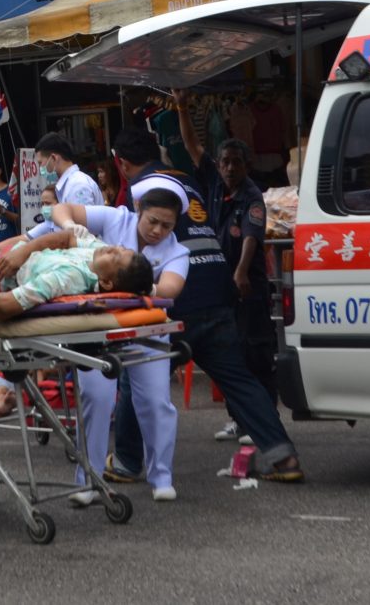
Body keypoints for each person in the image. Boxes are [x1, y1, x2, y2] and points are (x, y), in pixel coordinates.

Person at [106, 126, 303, 485]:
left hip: (178, 293)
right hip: (217, 286)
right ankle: (283, 457)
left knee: (137, 375)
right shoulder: (187, 179)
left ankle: (126, 462)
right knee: (239, 379)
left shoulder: (141, 193)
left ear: (121, 164)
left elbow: (130, 252)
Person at [47, 184, 189, 503]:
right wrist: (72, 226)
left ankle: (161, 475)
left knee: (155, 401)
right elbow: (61, 209)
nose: (157, 230)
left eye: (167, 225)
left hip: (145, 331)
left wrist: (127, 287)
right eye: (152, 220)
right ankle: (89, 480)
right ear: (139, 208)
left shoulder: (177, 252)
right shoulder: (115, 219)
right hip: (97, 328)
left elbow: (168, 289)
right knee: (95, 398)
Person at [173, 89, 279, 410]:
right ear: (218, 166)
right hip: (225, 287)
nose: (230, 168)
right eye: (225, 163)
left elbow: (251, 235)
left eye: (236, 163)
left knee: (256, 352)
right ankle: (239, 417)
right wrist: (180, 107)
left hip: (248, 287)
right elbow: (193, 147)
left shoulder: (251, 195)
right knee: (232, 352)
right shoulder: (216, 183)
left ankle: (265, 413)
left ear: (247, 165)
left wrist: (241, 271)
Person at [0, 229, 152, 320]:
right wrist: (23, 254)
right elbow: (65, 236)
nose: (112, 248)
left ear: (107, 282)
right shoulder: (95, 253)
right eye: (121, 248)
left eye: (117, 256)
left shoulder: (67, 278)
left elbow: (7, 304)